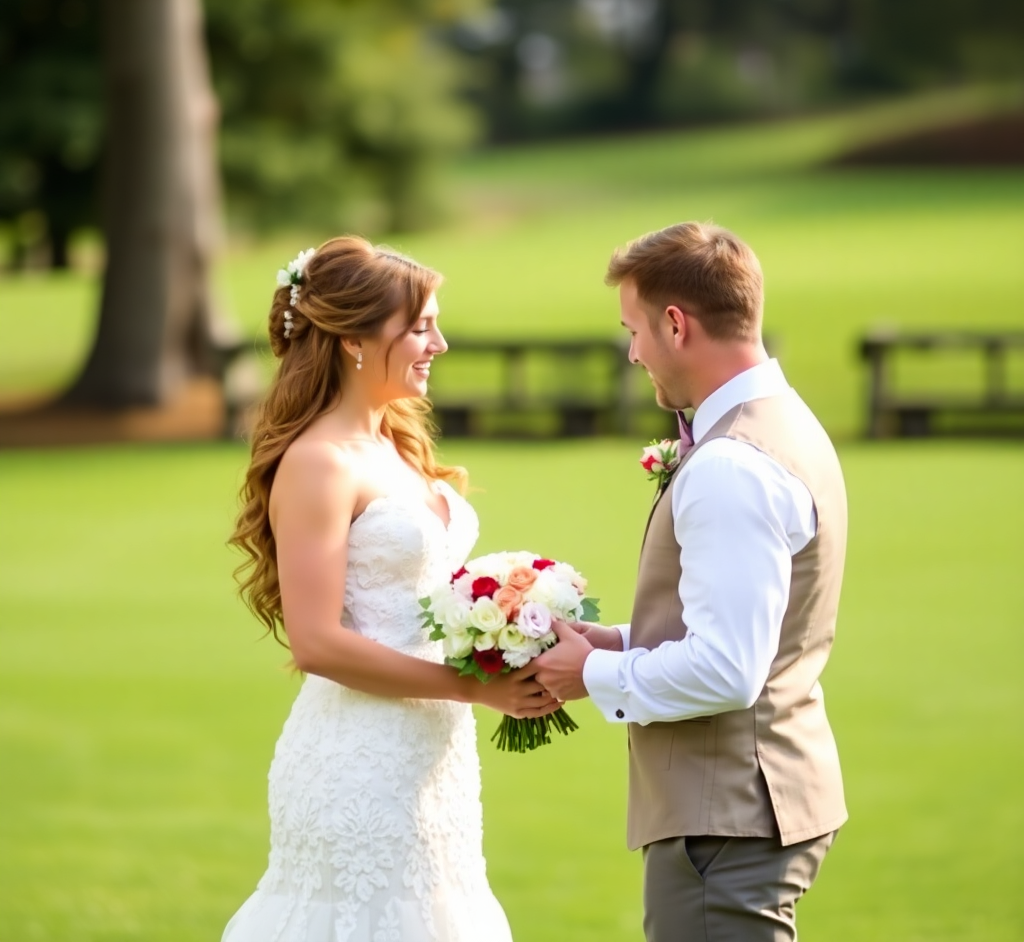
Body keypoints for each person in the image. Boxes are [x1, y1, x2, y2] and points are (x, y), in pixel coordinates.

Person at [222, 236, 558, 942]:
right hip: (358, 759)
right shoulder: (319, 463)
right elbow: (316, 643)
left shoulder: (396, 448)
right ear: (351, 337)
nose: (439, 341)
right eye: (419, 326)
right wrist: (475, 687)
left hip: (433, 752)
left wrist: (504, 617)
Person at [534, 221, 848, 942]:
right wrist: (611, 639)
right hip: (753, 808)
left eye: (634, 329)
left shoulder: (732, 463)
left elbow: (729, 670)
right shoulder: (785, 422)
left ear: (676, 324)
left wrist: (596, 672)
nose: (633, 352)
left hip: (727, 822)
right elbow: (749, 630)